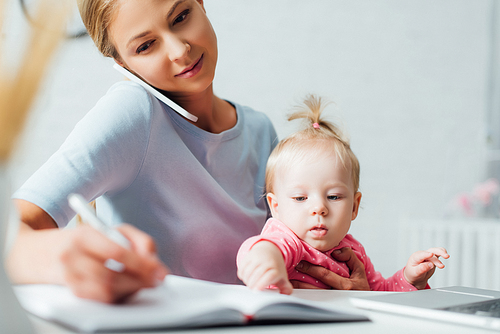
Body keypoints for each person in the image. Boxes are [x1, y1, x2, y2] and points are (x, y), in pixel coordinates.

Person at [6, 0, 371, 303]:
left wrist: (348, 293)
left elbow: (293, 253)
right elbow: (12, 231)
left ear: (201, 3)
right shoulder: (133, 114)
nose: (180, 50)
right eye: (146, 46)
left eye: (181, 17)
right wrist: (63, 258)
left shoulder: (260, 131)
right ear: (123, 65)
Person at [237, 95, 450, 294]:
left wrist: (410, 279)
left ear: (355, 207)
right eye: (300, 198)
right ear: (275, 207)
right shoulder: (290, 241)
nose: (319, 208)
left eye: (334, 197)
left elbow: (378, 293)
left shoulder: (352, 250)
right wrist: (265, 258)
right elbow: (264, 247)